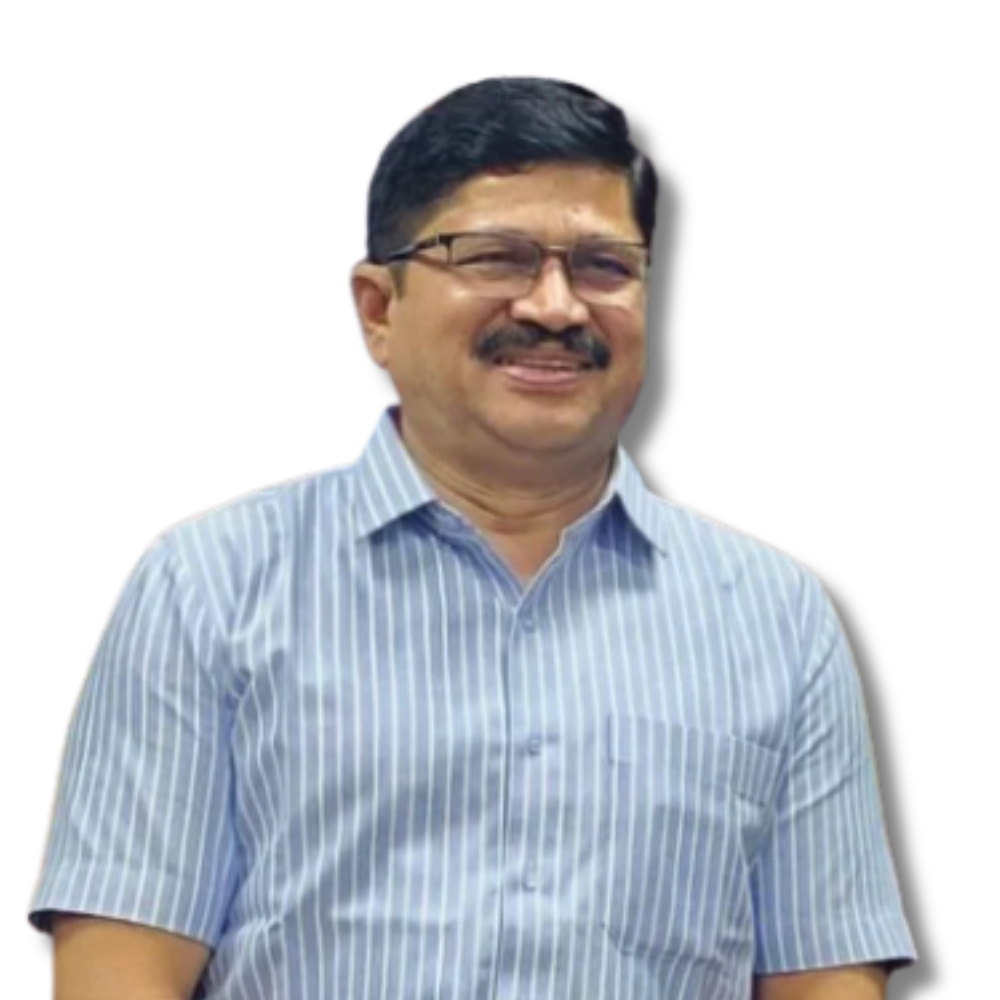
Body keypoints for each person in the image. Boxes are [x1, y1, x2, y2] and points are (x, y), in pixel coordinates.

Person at [29, 77, 916, 1000]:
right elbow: (120, 976)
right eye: (496, 258)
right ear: (378, 309)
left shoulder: (775, 621)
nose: (556, 307)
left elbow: (823, 980)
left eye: (605, 266)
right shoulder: (211, 588)